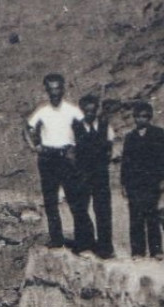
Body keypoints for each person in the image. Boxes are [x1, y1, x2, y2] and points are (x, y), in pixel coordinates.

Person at [23, 73, 85, 249]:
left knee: (74, 199)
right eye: (51, 89)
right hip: (48, 158)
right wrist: (35, 146)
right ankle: (56, 239)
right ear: (47, 90)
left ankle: (81, 241)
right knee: (50, 201)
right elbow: (26, 129)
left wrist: (76, 149)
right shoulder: (42, 112)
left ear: (63, 88)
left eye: (58, 88)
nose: (55, 93)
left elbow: (84, 131)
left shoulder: (73, 110)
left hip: (66, 157)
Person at [121, 100, 164, 260]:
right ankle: (137, 251)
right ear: (134, 118)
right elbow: (125, 161)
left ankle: (156, 250)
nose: (141, 120)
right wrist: (123, 183)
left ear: (149, 118)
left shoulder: (158, 134)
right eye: (138, 117)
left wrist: (163, 178)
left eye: (144, 117)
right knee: (135, 217)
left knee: (152, 216)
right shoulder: (130, 137)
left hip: (152, 182)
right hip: (134, 183)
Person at [73, 94, 115, 258]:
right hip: (82, 173)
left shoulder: (105, 126)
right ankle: (84, 244)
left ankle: (105, 247)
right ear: (82, 110)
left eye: (93, 110)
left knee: (103, 209)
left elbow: (110, 148)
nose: (90, 114)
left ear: (97, 110)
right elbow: (71, 150)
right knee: (81, 208)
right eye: (86, 111)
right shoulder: (75, 127)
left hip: (100, 174)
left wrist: (103, 161)